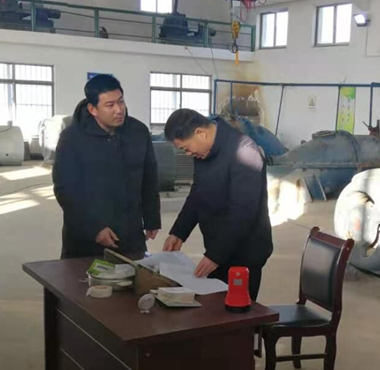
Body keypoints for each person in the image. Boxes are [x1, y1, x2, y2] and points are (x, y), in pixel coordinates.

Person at [162, 109, 273, 300]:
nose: (188, 154)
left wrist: (215, 255)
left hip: (244, 253)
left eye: (187, 148)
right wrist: (179, 232)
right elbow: (198, 193)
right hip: (218, 246)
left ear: (200, 133)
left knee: (237, 309)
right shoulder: (204, 152)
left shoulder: (244, 152)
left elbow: (243, 212)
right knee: (213, 306)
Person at [53, 74, 161, 259]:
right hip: (86, 237)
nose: (119, 110)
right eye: (110, 105)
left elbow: (149, 178)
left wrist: (152, 218)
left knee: (133, 274)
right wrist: (94, 228)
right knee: (82, 276)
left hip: (130, 232)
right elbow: (65, 190)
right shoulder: (72, 138)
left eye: (121, 102)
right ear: (92, 109)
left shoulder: (138, 132)